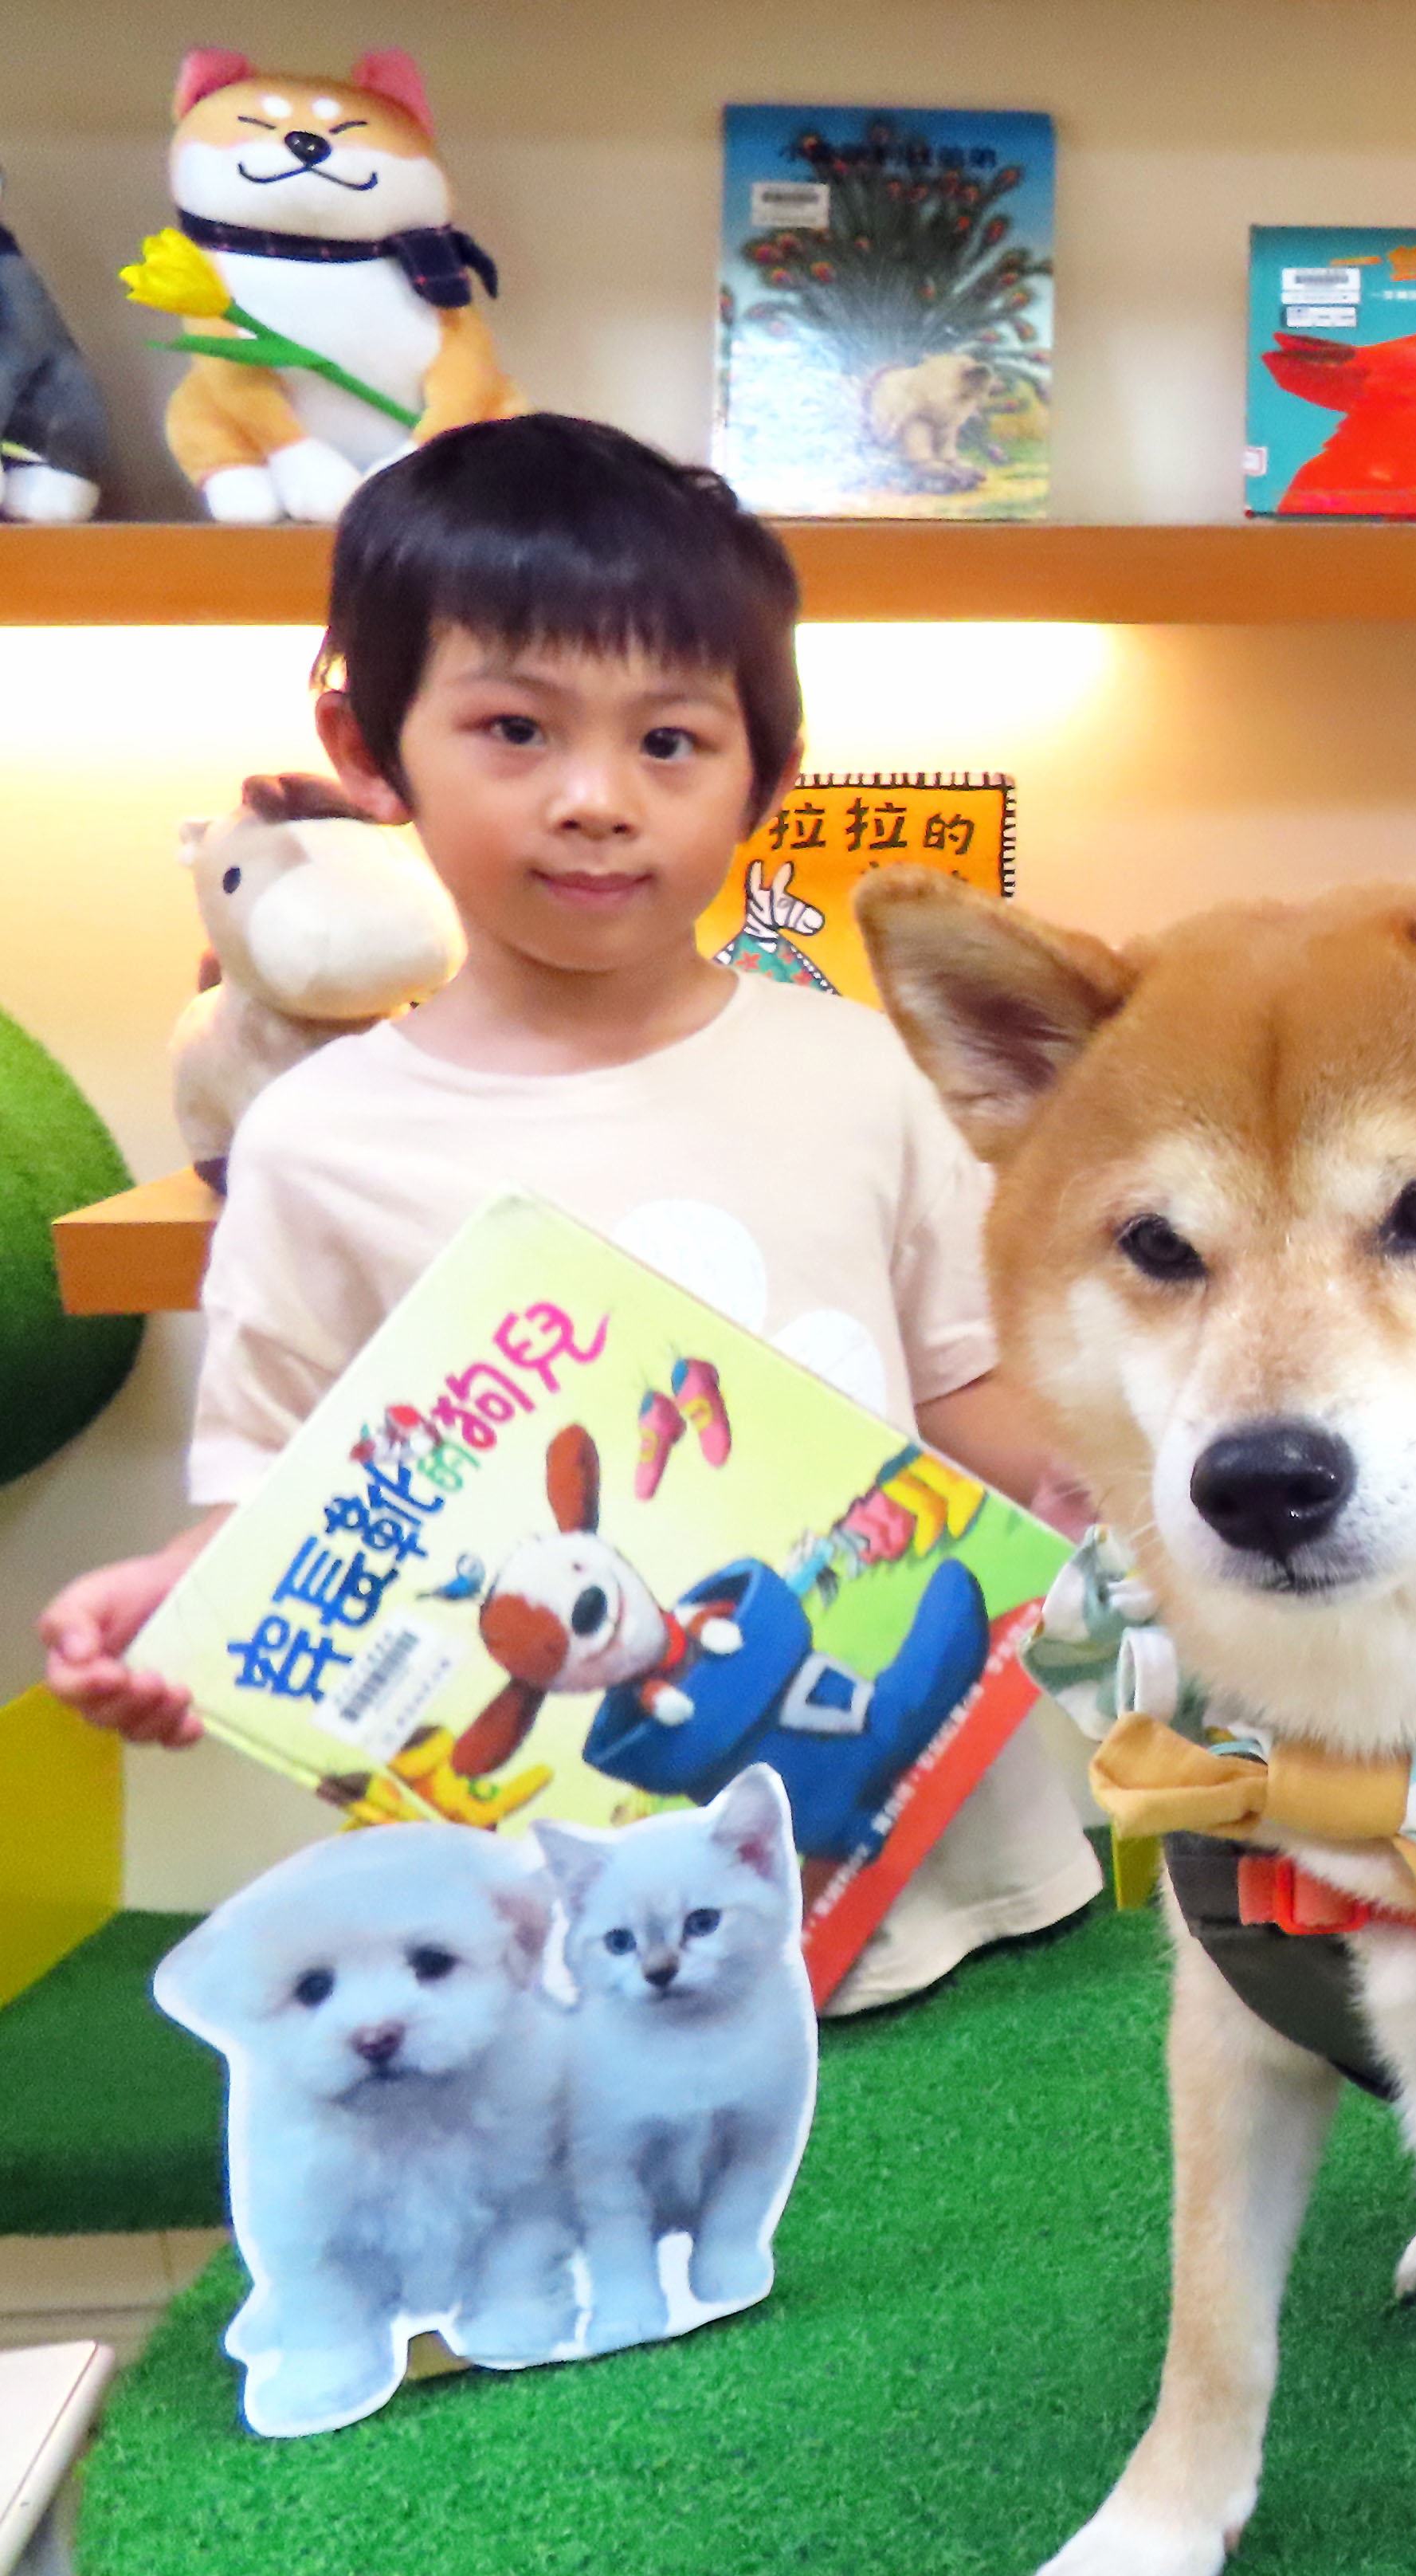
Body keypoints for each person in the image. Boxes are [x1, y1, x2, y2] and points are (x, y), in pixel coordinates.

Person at [34, 413, 1099, 2009]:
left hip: (965, 1880)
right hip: (601, 1944)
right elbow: (298, 1502)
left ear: (768, 776)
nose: (598, 799)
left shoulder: (865, 1071)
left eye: (671, 743)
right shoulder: (318, 1142)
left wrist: (1158, 1495)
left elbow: (971, 1398)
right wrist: (181, 1595)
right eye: (516, 729)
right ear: (367, 741)